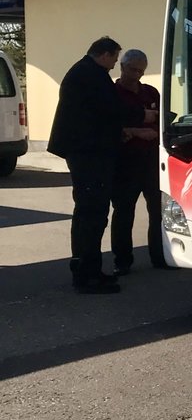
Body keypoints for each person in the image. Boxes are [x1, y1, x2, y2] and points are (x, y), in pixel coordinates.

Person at [47, 37, 149, 294]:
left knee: (87, 211)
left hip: (85, 150)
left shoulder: (83, 72)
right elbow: (110, 108)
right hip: (90, 153)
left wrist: (119, 131)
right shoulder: (92, 75)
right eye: (115, 59)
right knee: (92, 212)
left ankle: (85, 266)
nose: (115, 65)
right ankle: (87, 273)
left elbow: (98, 113)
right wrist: (142, 116)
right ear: (104, 54)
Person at [111, 48, 168, 273]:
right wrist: (135, 131)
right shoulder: (111, 94)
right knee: (124, 211)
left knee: (158, 211)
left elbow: (164, 120)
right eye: (133, 70)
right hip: (125, 162)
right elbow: (109, 125)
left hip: (152, 161)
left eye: (141, 71)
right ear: (122, 67)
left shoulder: (151, 93)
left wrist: (154, 131)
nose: (137, 75)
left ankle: (160, 256)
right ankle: (122, 261)